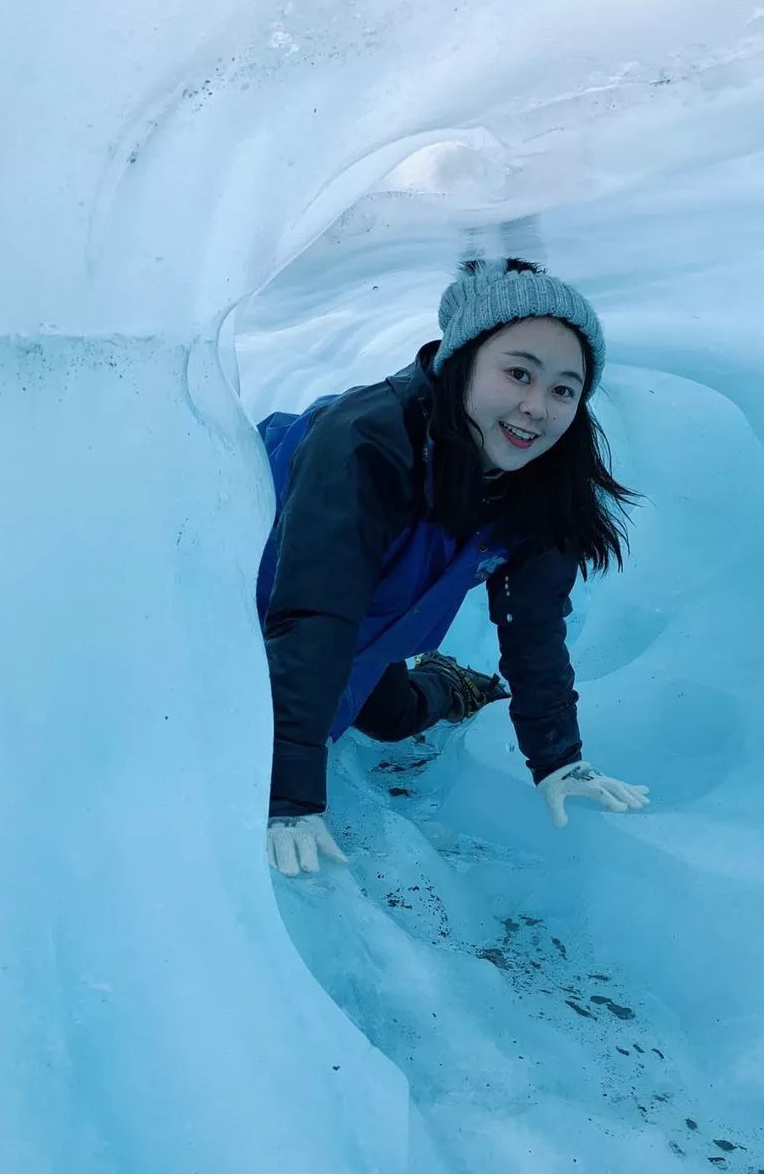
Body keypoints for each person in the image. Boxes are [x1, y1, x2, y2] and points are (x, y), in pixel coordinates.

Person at [257, 257, 650, 876]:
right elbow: (314, 616)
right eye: (519, 373)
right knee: (301, 718)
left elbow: (534, 625)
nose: (537, 407)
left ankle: (449, 681)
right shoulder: (363, 442)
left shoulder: (543, 478)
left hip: (372, 624)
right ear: (462, 361)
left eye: (562, 389)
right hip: (268, 610)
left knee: (392, 717)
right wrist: (287, 795)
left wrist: (559, 759)